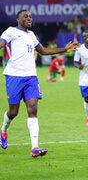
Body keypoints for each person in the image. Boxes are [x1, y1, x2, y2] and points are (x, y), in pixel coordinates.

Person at [0, 10, 78, 157]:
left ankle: (34, 147)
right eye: (25, 16)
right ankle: (4, 130)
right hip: (14, 76)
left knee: (32, 109)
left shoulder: (31, 35)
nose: (29, 18)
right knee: (13, 112)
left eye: (30, 17)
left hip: (31, 77)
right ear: (18, 19)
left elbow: (43, 51)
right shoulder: (10, 31)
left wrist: (64, 49)